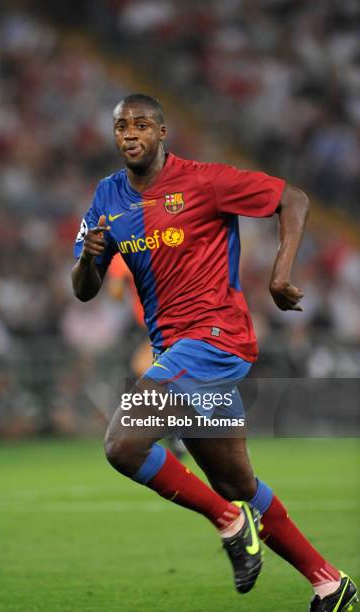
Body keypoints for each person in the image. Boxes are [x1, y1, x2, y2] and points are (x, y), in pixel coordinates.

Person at [72, 93, 358, 611]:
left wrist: (279, 272)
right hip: (176, 347)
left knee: (122, 444)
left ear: (162, 133)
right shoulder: (106, 197)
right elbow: (84, 290)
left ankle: (228, 523)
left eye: (141, 124)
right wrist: (89, 260)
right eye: (121, 127)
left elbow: (292, 198)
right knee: (235, 481)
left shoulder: (204, 181)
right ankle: (330, 584)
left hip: (214, 338)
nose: (130, 134)